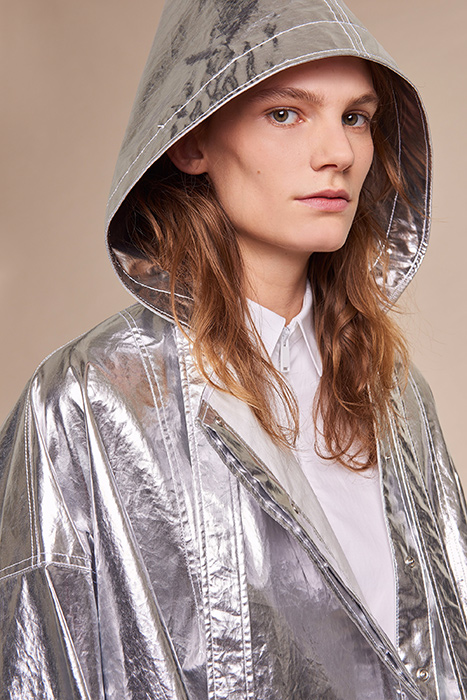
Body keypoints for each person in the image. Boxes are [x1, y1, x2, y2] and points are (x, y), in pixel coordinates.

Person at [0, 0, 466, 698]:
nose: (338, 154)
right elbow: (36, 664)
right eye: (285, 113)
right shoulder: (87, 401)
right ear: (191, 140)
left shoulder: (392, 389)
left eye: (355, 117)